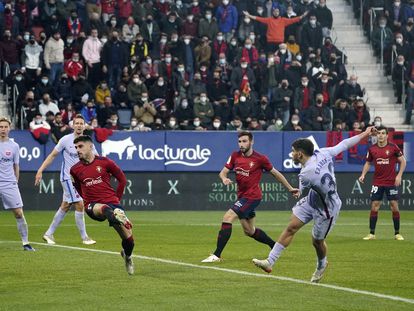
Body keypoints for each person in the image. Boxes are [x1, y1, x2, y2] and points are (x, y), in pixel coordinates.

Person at [252, 126, 376, 283]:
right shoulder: (322, 152)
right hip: (313, 199)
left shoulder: (306, 174)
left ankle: (321, 265)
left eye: (293, 151)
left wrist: (296, 192)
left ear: (300, 154)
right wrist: (365, 133)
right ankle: (270, 261)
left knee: (316, 242)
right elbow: (344, 144)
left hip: (327, 208)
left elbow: (301, 189)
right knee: (292, 226)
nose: (291, 154)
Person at [201, 131, 299, 263]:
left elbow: (276, 174)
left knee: (228, 217)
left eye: (244, 141)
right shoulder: (235, 155)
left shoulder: (260, 158)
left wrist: (290, 188)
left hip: (252, 197)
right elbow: (223, 173)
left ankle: (216, 255)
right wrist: (224, 179)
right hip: (242, 197)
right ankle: (274, 246)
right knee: (249, 231)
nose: (241, 144)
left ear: (251, 142)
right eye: (240, 141)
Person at [70, 135, 135, 275]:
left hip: (111, 203)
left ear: (90, 146)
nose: (77, 150)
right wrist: (87, 200)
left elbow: (122, 180)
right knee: (105, 209)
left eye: (80, 146)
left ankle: (127, 256)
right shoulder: (74, 169)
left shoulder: (105, 162)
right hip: (92, 206)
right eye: (76, 147)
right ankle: (117, 215)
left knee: (129, 241)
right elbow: (78, 188)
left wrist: (116, 201)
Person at [35, 115, 96, 245]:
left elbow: (96, 158)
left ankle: (48, 234)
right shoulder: (65, 140)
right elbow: (52, 156)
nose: (79, 125)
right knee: (79, 204)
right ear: (73, 125)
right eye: (77, 123)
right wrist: (40, 170)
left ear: (84, 126)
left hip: (80, 179)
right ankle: (85, 237)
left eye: (81, 123)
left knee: (65, 206)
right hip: (67, 177)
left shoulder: (88, 142)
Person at [358, 126, 406, 241]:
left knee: (394, 206)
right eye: (379, 133)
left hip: (390, 182)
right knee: (374, 206)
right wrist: (363, 174)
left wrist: (399, 176)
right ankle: (372, 234)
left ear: (387, 135)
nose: (380, 135)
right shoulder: (372, 149)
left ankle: (397, 233)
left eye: (383, 133)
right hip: (377, 182)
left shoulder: (393, 147)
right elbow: (368, 163)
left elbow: (403, 161)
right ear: (376, 135)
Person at [0, 117, 35, 251]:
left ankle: (26, 243)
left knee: (19, 213)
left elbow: (16, 166)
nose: (3, 129)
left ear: (9, 128)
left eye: (5, 127)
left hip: (9, 183)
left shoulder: (14, 146)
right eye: (0, 127)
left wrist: (15, 181)